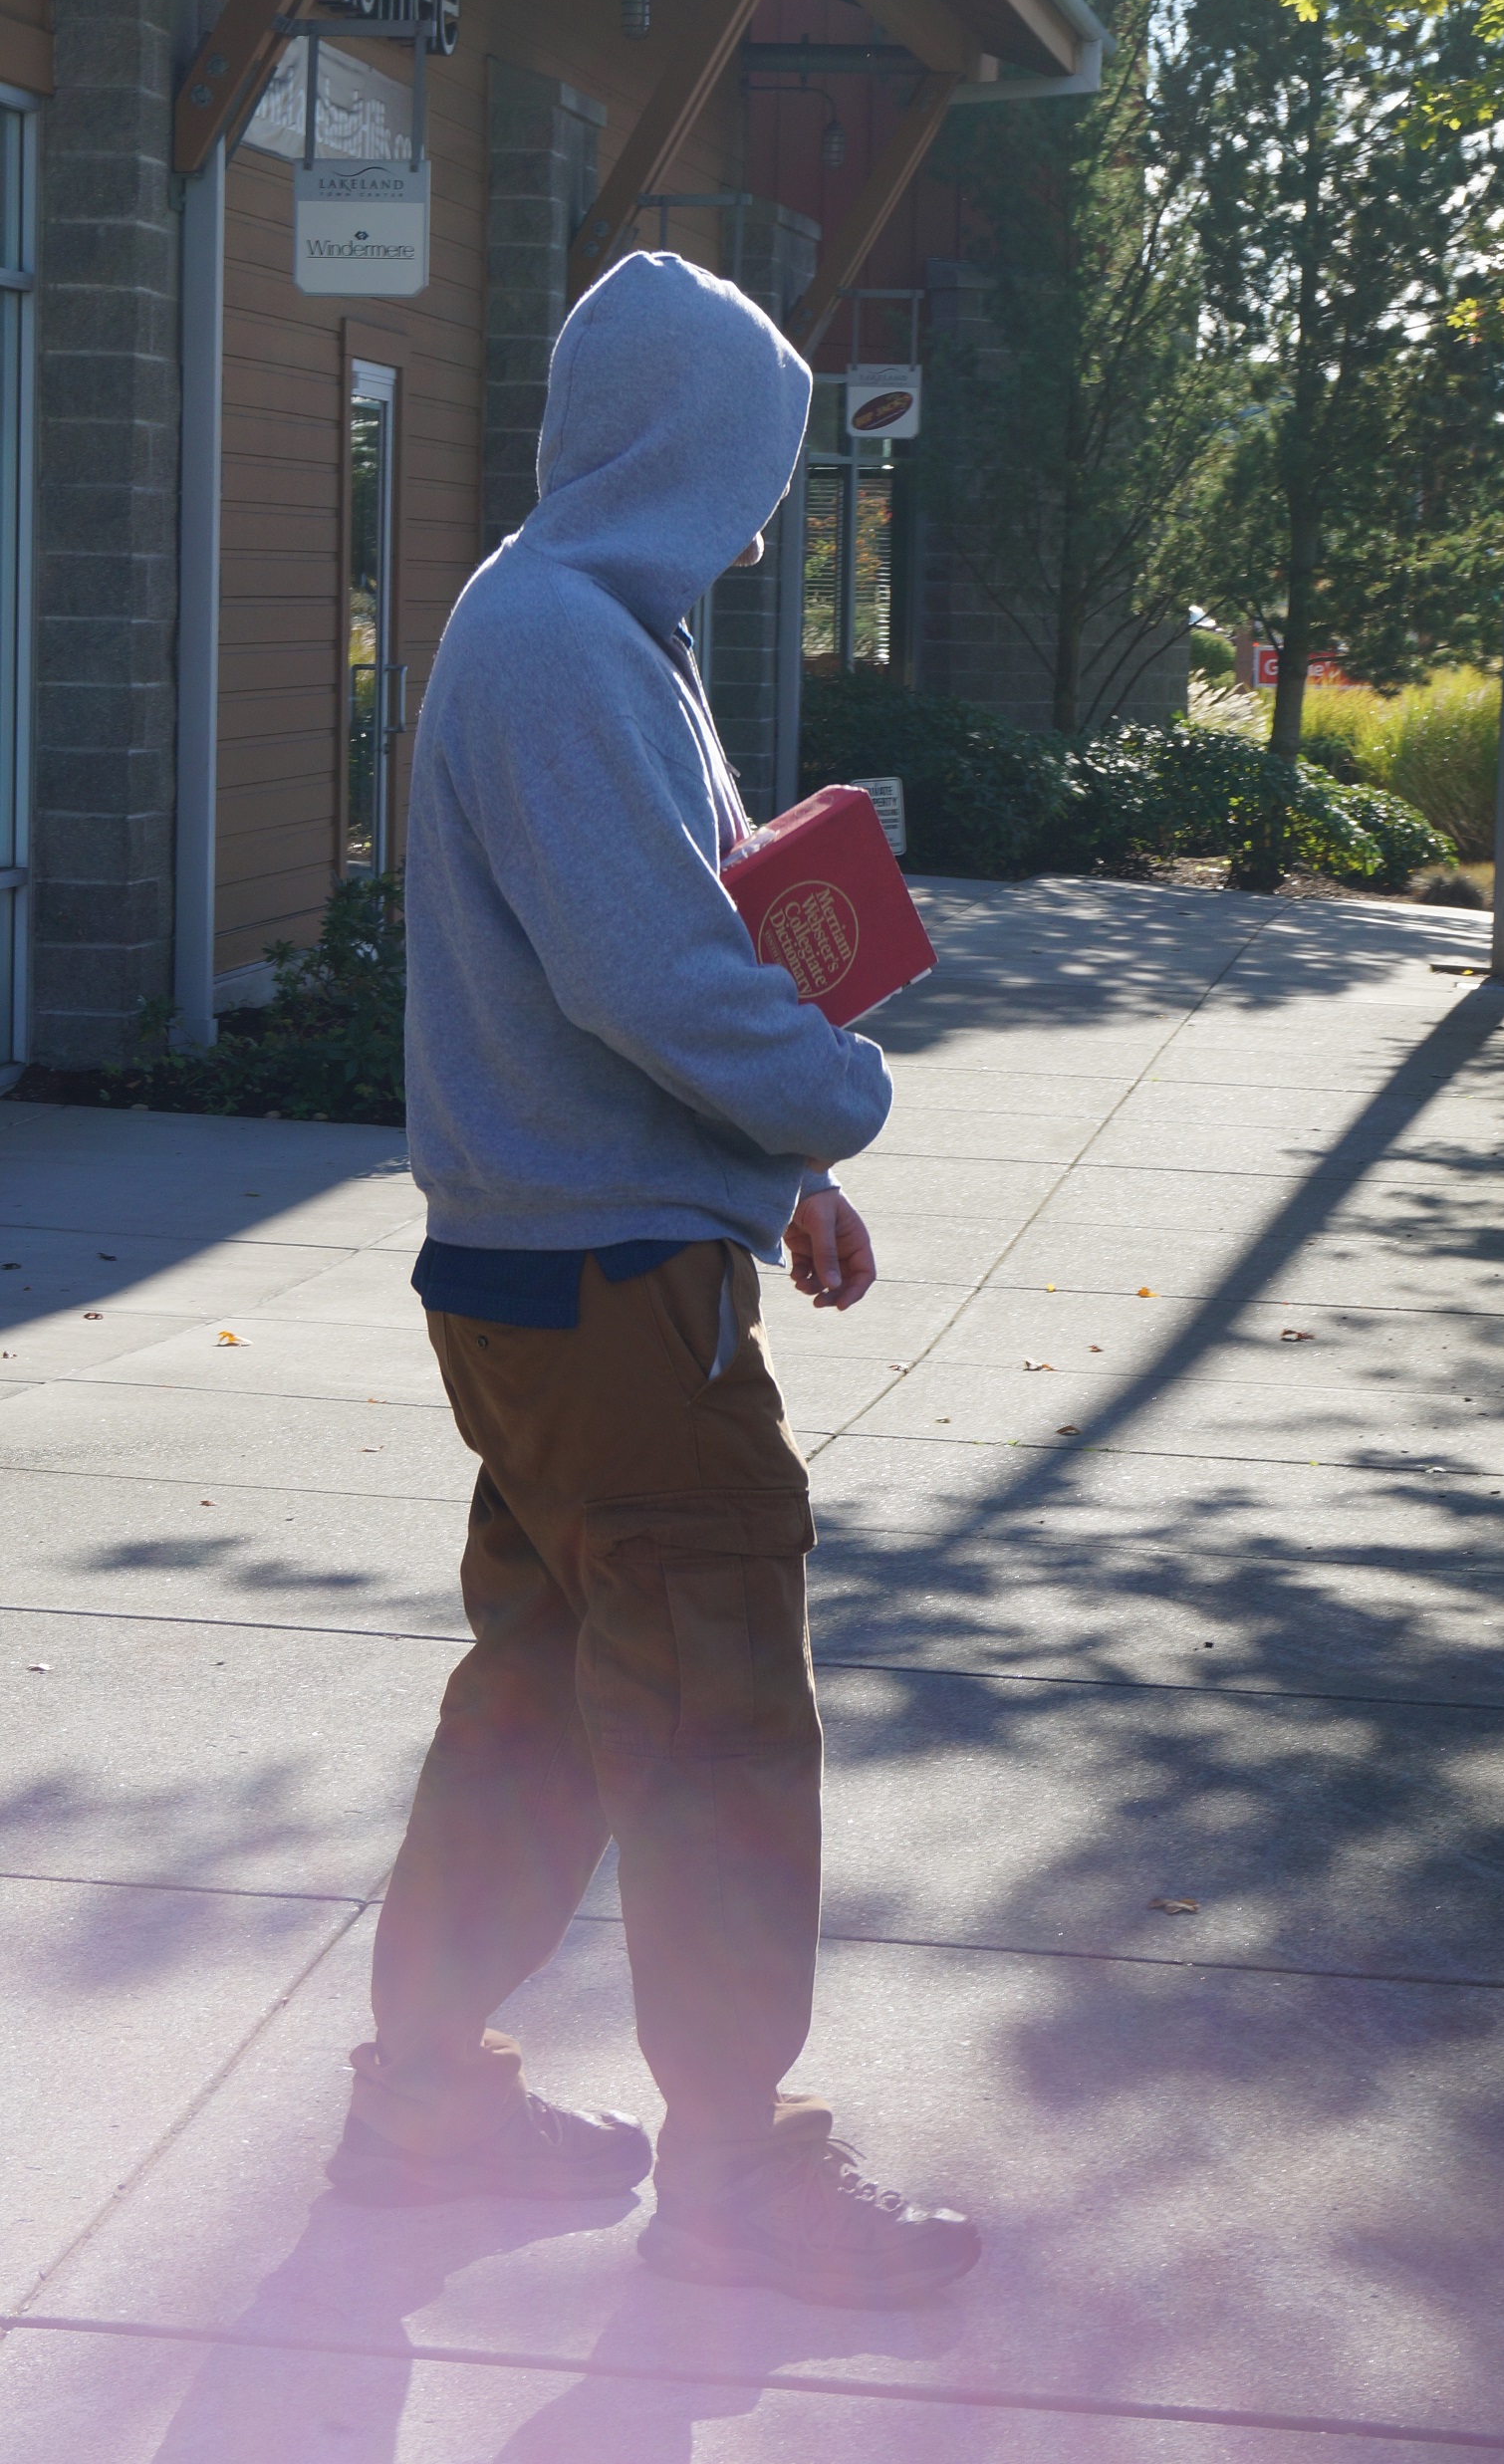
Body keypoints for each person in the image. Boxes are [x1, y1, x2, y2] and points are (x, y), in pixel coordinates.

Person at [326, 251, 980, 2309]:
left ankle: (425, 2097)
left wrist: (768, 1173)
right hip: (610, 1305)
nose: (767, 517)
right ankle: (735, 2175)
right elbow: (649, 970)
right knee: (709, 1717)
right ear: (669, 451)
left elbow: (645, 946)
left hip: (560, 1268)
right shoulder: (562, 644)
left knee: (532, 1699)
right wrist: (835, 1090)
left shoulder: (584, 625)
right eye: (746, 469)